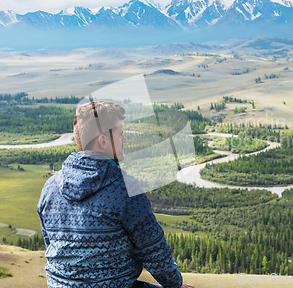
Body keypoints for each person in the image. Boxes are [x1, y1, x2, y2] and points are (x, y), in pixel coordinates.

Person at [37, 100, 194, 288]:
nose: (124, 140)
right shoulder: (124, 188)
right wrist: (176, 284)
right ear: (103, 141)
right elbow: (154, 251)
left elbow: (53, 246)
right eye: (121, 134)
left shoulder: (50, 187)